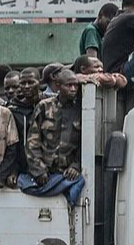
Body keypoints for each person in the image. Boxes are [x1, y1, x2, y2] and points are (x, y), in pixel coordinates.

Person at [23, 69, 87, 204]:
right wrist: (39, 170)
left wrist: (76, 165)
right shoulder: (44, 107)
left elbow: (85, 143)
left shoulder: (81, 110)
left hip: (66, 175)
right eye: (68, 85)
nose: (73, 89)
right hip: (44, 174)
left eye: (75, 85)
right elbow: (32, 141)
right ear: (58, 85)